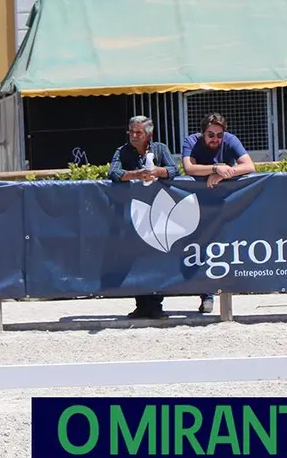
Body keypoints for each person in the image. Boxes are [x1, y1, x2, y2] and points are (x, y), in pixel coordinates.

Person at [180, 113, 257, 314]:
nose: (216, 139)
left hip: (226, 204)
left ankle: (227, 294)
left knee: (225, 248)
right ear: (202, 133)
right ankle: (207, 295)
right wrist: (215, 168)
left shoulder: (230, 140)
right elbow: (188, 168)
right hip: (199, 205)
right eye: (211, 134)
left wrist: (222, 174)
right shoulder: (191, 141)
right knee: (201, 249)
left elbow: (249, 166)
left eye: (219, 135)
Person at [109, 115, 180, 320]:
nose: (134, 136)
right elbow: (113, 172)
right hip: (133, 212)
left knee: (157, 256)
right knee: (135, 258)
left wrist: (158, 171)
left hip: (158, 211)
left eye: (138, 132)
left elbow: (175, 170)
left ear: (149, 133)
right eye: (131, 132)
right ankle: (141, 304)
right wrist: (136, 174)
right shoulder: (122, 151)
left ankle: (156, 305)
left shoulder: (160, 149)